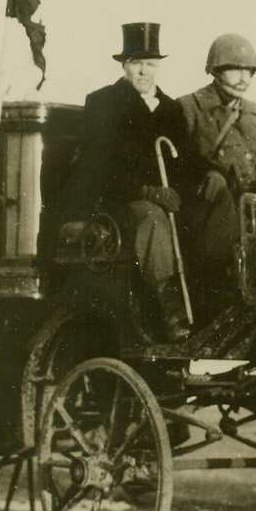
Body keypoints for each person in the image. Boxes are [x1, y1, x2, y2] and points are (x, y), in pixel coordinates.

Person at [60, 22, 199, 342]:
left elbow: (188, 160)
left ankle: (206, 304)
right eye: (136, 63)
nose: (143, 71)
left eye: (150, 64)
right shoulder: (102, 102)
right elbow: (93, 169)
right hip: (117, 202)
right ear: (124, 66)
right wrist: (146, 191)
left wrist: (210, 176)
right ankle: (171, 312)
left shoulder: (171, 109)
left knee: (193, 219)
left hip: (164, 199)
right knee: (151, 219)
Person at [177, 33, 256, 310]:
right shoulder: (187, 108)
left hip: (246, 207)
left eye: (249, 71)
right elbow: (178, 165)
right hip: (202, 209)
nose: (244, 78)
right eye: (235, 69)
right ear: (214, 70)